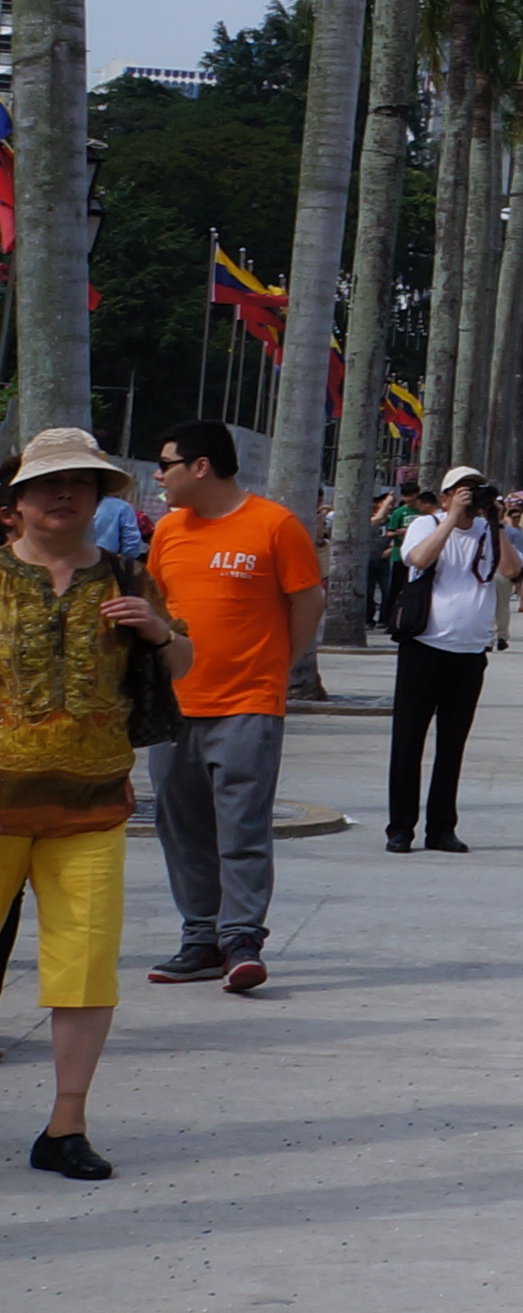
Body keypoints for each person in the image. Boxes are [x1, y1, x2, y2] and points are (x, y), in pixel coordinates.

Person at [5, 427, 197, 1175]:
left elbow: (183, 658)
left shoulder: (127, 576)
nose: (63, 495)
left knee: (84, 969)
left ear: (97, 498)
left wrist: (155, 631)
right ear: (17, 501)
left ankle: (65, 1127)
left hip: (90, 810)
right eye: (48, 485)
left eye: (79, 484)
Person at [139, 422, 323, 998]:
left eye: (165, 463)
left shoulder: (274, 526)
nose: (157, 474)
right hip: (176, 706)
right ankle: (200, 939)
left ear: (200, 466)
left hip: (247, 704)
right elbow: (156, 607)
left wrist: (276, 670)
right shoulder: (169, 531)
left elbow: (308, 601)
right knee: (181, 827)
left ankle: (241, 939)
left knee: (242, 827)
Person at [387, 467, 513, 852]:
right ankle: (401, 828)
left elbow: (512, 570)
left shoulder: (490, 531)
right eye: (463, 492)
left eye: (477, 491)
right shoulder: (426, 524)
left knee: (452, 745)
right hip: (423, 649)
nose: (471, 498)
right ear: (444, 497)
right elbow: (420, 560)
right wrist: (451, 520)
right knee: (408, 742)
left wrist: (497, 523)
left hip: (470, 653)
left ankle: (441, 827)